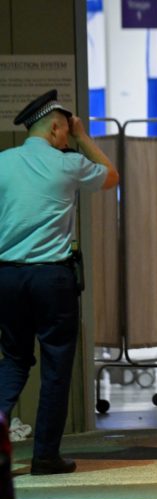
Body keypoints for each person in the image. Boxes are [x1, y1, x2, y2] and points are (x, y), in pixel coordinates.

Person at [0, 89, 119, 475]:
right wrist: (84, 138)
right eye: (66, 131)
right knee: (55, 365)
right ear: (55, 128)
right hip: (53, 277)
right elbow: (111, 177)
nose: (68, 138)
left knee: (15, 360)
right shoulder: (68, 164)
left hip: (8, 277)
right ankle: (45, 456)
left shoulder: (3, 162)